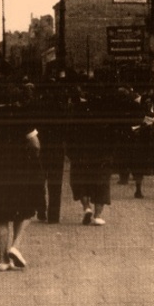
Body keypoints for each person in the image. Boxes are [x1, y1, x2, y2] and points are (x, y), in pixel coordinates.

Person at [0, 81, 43, 271]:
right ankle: (16, 246)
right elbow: (35, 144)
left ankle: (2, 260)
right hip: (20, 169)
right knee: (26, 209)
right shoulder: (21, 114)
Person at [67, 84, 117, 225]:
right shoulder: (107, 112)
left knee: (80, 181)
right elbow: (114, 134)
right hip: (102, 154)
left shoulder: (78, 110)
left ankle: (86, 207)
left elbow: (70, 132)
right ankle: (98, 215)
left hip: (81, 153)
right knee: (101, 184)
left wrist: (71, 152)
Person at [34, 79, 70, 223]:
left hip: (40, 147)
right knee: (56, 182)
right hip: (57, 148)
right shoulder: (62, 108)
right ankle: (54, 214)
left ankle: (41, 209)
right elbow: (66, 128)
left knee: (39, 180)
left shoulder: (37, 106)